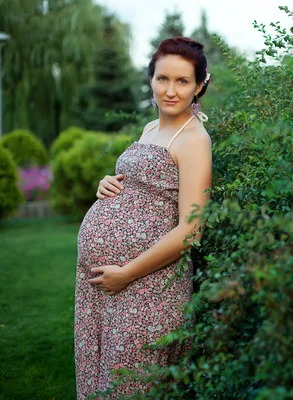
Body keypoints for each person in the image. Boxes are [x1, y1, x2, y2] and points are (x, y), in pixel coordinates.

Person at [74, 37, 212, 399]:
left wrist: (128, 273)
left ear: (199, 86)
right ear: (150, 79)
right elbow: (141, 185)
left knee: (132, 386)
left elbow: (191, 229)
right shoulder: (151, 129)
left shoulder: (195, 140)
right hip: (109, 286)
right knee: (106, 379)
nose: (170, 90)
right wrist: (108, 183)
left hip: (147, 287)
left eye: (182, 82)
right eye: (162, 78)